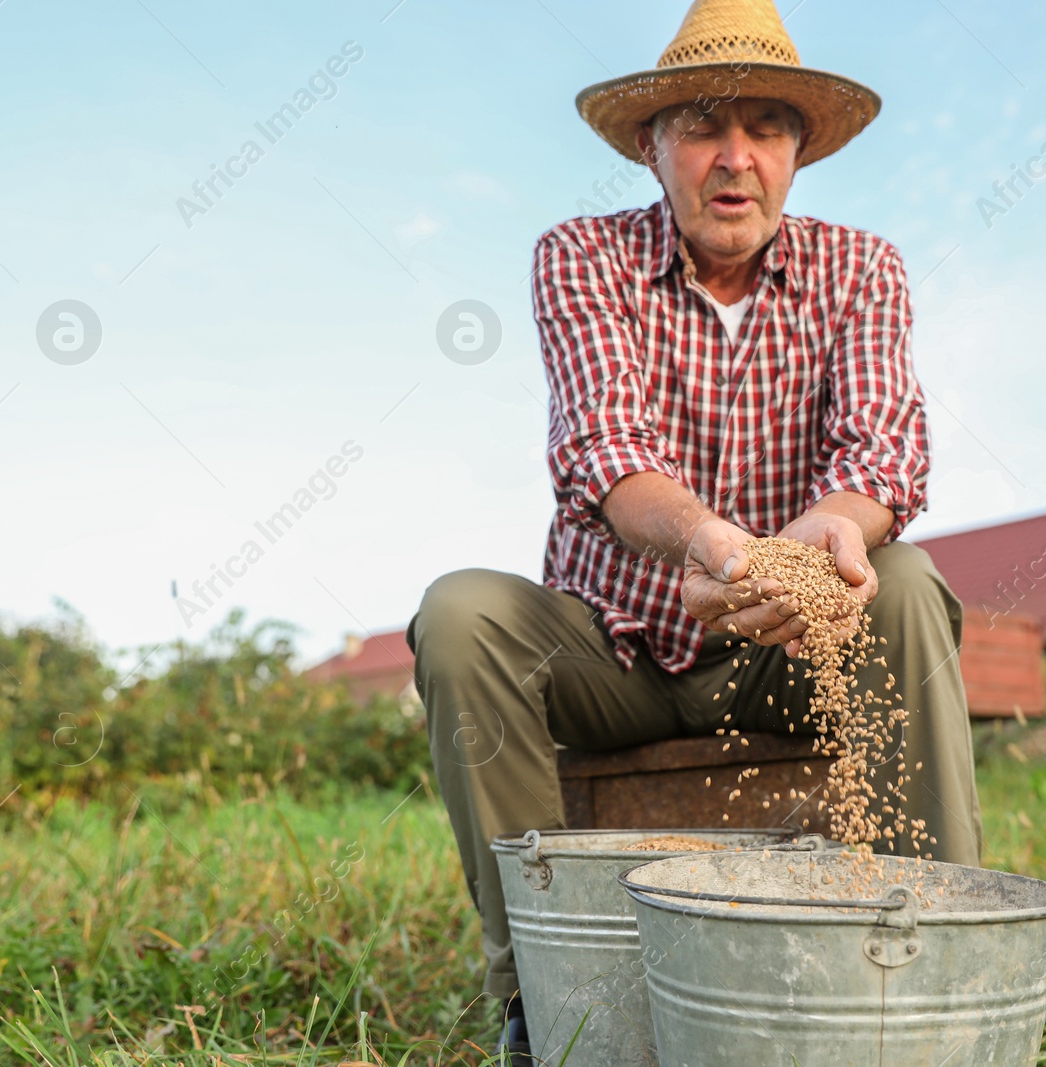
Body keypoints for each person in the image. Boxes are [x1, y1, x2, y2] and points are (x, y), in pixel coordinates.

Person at [406, 0, 982, 1057]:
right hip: (618, 650)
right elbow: (603, 451)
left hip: (784, 648)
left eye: (765, 127)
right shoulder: (582, 257)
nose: (734, 157)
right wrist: (717, 545)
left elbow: (882, 456)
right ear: (650, 145)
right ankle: (541, 994)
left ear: (798, 151)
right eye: (702, 126)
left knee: (905, 579)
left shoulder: (861, 268)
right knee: (459, 612)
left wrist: (812, 547)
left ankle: (927, 959)